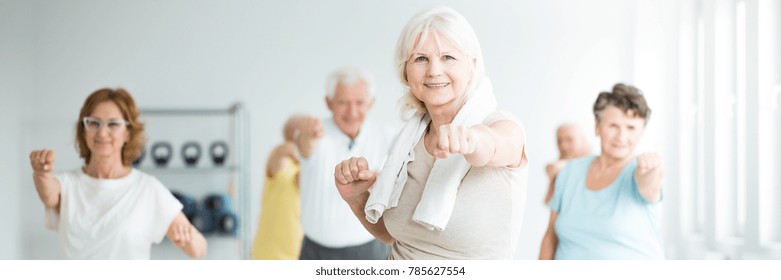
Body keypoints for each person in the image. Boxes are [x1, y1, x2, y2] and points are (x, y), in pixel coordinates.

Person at [333, 6, 528, 259]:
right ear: (406, 71)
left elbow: (494, 145)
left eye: (448, 57)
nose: (434, 70)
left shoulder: (503, 126)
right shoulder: (408, 140)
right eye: (421, 58)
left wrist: (472, 139)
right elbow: (394, 235)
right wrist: (356, 198)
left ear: (472, 65)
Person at [29, 88, 207, 259]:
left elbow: (199, 249)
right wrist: (41, 174)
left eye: (113, 124)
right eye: (93, 123)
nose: (102, 132)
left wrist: (187, 240)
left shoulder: (146, 188)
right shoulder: (67, 183)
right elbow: (48, 193)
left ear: (128, 133)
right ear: (84, 130)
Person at [539, 83, 665, 260]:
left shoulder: (640, 171)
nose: (621, 137)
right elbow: (550, 238)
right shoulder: (569, 172)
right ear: (597, 127)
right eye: (613, 126)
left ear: (642, 132)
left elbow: (648, 184)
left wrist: (652, 170)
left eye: (631, 128)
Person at [286, 67, 393, 260]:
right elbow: (305, 144)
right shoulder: (315, 133)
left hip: (372, 251)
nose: (352, 112)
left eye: (359, 102)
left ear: (371, 103)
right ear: (329, 103)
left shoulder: (387, 135)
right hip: (316, 252)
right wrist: (305, 136)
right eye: (343, 102)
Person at [251, 118, 304, 259]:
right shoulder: (281, 160)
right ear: (295, 132)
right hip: (271, 254)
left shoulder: (304, 167)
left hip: (300, 253)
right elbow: (285, 149)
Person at [544, 123, 592, 204]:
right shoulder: (557, 166)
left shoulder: (596, 163)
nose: (563, 146)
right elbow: (549, 202)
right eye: (559, 141)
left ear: (583, 140)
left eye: (569, 140)